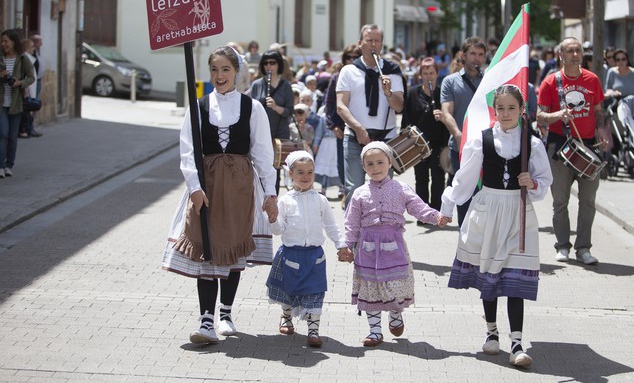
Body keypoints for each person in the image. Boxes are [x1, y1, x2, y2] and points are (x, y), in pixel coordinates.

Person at [160, 46, 278, 344]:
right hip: (207, 185)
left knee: (232, 247)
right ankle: (206, 320)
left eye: (226, 69)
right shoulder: (198, 106)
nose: (220, 75)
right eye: (214, 69)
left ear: (237, 72)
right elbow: (188, 151)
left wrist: (270, 193)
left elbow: (263, 154)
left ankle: (225, 313)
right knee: (207, 250)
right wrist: (195, 188)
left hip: (240, 186)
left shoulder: (253, 108)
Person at [440, 84, 552, 367]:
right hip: (488, 209)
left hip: (518, 212)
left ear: (521, 110)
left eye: (511, 108)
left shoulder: (532, 143)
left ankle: (516, 342)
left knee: (515, 279)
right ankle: (491, 333)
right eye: (500, 108)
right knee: (489, 274)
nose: (505, 113)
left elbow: (544, 181)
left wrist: (533, 183)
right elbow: (464, 176)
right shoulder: (481, 140)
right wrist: (448, 206)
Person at [344, 142, 449, 347]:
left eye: (380, 162)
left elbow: (417, 207)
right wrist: (347, 246)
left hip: (393, 245)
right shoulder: (359, 193)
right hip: (367, 248)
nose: (375, 168)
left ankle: (395, 314)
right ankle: (374, 331)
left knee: (394, 285)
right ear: (364, 167)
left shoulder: (401, 188)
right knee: (369, 287)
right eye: (370, 164)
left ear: (390, 163)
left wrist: (436, 217)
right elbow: (351, 222)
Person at [266, 151, 352, 348]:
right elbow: (279, 230)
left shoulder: (320, 200)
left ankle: (313, 330)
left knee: (315, 291)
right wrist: (272, 218)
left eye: (310, 172)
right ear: (291, 174)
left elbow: (331, 226)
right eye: (300, 173)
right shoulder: (285, 201)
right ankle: (286, 316)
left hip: (314, 256)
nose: (305, 177)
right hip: (290, 254)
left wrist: (341, 245)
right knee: (289, 291)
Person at [537, 37, 606, 265]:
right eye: (570, 51)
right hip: (560, 147)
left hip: (587, 146)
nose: (575, 54)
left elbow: (598, 110)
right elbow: (540, 116)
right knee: (560, 201)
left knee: (588, 201)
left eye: (578, 50)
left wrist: (603, 130)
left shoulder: (592, 80)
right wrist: (557, 116)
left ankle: (583, 248)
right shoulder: (550, 82)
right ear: (561, 56)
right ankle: (563, 246)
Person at [336, 24, 404, 207]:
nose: (373, 44)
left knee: (384, 188)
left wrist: (389, 93)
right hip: (355, 136)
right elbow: (341, 106)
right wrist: (358, 128)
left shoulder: (392, 70)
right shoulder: (348, 71)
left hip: (385, 138)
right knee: (354, 188)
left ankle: (384, 231)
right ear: (360, 43)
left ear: (381, 45)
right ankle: (353, 233)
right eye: (369, 40)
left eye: (377, 41)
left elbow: (399, 107)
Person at [440, 36, 487, 226]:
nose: (476, 58)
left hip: (486, 147)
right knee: (464, 196)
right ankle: (465, 241)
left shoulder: (490, 81)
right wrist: (458, 135)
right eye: (473, 54)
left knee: (485, 196)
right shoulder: (450, 82)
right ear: (463, 55)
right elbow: (446, 112)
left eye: (481, 55)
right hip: (460, 148)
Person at [401, 57, 449, 212]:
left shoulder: (443, 93)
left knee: (438, 179)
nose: (429, 76)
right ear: (420, 75)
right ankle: (422, 213)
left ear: (437, 74)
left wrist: (442, 116)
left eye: (432, 73)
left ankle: (436, 212)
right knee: (421, 179)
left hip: (438, 144)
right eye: (425, 73)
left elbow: (451, 117)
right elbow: (406, 118)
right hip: (418, 144)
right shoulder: (413, 93)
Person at [248, 49, 295, 193]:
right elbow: (251, 108)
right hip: (261, 132)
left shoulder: (286, 85)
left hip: (279, 133)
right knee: (259, 166)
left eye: (272, 63)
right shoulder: (257, 84)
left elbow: (289, 111)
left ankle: (272, 200)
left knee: (275, 168)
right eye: (266, 63)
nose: (269, 66)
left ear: (278, 64)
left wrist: (276, 107)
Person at [325, 45, 361, 201]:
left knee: (366, 167)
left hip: (364, 127)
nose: (352, 61)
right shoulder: (337, 77)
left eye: (355, 57)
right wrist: (332, 126)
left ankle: (358, 199)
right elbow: (329, 104)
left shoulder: (364, 76)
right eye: (349, 58)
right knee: (342, 168)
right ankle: (348, 194)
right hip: (342, 127)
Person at [0, 29, 36, 179]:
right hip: (2, 103)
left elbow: (31, 77)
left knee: (13, 137)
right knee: (3, 134)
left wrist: (19, 83)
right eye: (2, 41)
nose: (3, 44)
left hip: (16, 102)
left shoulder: (22, 59)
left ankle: (9, 165)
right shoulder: (0, 58)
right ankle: (1, 166)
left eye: (6, 41)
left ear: (13, 42)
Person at [18, 38, 41, 139]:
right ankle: (25, 130)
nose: (34, 48)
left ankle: (29, 129)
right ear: (26, 49)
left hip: (31, 88)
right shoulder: (25, 59)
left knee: (29, 110)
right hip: (27, 89)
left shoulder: (30, 58)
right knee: (26, 110)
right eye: (32, 47)